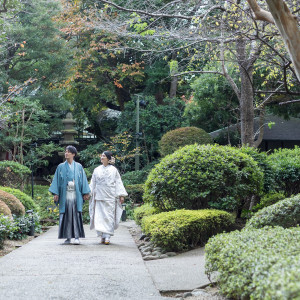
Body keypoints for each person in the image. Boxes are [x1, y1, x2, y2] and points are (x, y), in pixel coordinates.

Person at [49, 145, 90, 245]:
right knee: (66, 214)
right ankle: (67, 237)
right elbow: (56, 181)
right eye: (65, 151)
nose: (66, 153)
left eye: (68, 152)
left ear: (73, 154)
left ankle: (76, 237)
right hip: (65, 193)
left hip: (76, 193)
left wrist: (85, 192)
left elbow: (83, 180)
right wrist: (56, 193)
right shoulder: (60, 166)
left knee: (76, 214)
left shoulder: (79, 166)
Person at [89, 151, 128, 245]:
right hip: (99, 196)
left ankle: (107, 236)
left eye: (104, 156)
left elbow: (118, 182)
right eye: (101, 155)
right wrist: (88, 193)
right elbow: (92, 183)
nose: (102, 157)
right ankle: (102, 235)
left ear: (108, 158)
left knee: (108, 216)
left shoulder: (113, 170)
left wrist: (121, 195)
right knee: (99, 217)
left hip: (110, 196)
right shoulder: (96, 169)